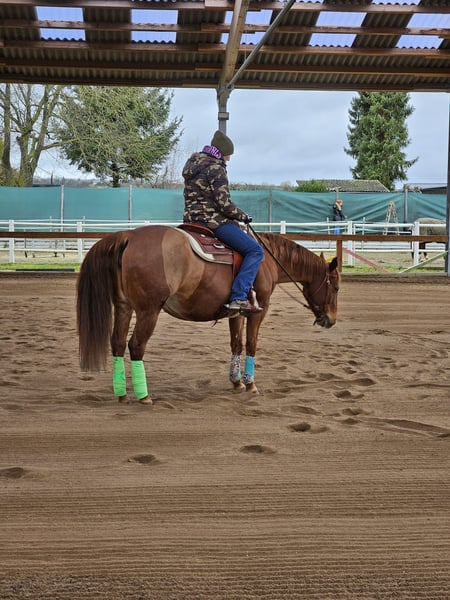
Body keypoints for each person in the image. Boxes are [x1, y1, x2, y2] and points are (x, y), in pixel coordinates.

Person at [182, 129, 264, 314]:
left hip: (190, 220)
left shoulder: (192, 166)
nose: (229, 159)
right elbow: (224, 204)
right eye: (228, 155)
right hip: (212, 221)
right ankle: (239, 296)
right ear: (222, 152)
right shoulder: (216, 169)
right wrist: (243, 216)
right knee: (255, 250)